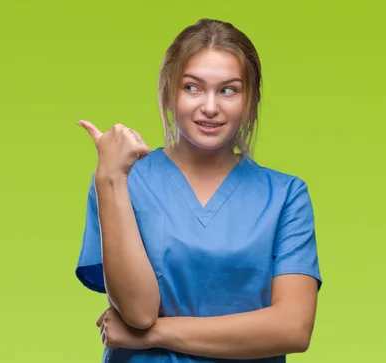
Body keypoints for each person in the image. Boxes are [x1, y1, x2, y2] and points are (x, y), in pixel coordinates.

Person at [75, 18, 323, 363]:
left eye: (228, 90)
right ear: (168, 93)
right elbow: (138, 313)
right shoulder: (124, 181)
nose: (209, 107)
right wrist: (110, 179)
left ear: (250, 99)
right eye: (192, 87)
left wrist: (154, 336)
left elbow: (292, 329)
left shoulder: (285, 196)